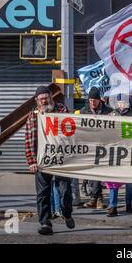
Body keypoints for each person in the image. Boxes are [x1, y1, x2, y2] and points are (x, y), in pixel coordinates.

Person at [25, 86, 75, 235]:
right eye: (41, 99)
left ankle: (67, 213)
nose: (44, 101)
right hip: (42, 160)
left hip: (61, 159)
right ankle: (45, 223)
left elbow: (70, 131)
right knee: (43, 193)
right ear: (37, 101)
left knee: (65, 191)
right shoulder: (33, 116)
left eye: (46, 98)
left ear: (51, 97)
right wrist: (31, 161)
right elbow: (29, 139)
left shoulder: (62, 110)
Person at [80, 87, 112, 209]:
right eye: (90, 100)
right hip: (90, 146)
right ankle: (97, 198)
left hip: (104, 146)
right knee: (93, 172)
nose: (92, 103)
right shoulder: (84, 112)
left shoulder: (108, 111)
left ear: (99, 100)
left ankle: (96, 198)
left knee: (100, 172)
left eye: (94, 100)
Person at [107, 96, 132, 215]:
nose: (122, 104)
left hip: (130, 150)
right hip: (115, 151)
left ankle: (129, 204)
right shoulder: (112, 115)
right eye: (120, 102)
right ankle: (112, 205)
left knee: (129, 181)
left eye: (124, 102)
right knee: (113, 180)